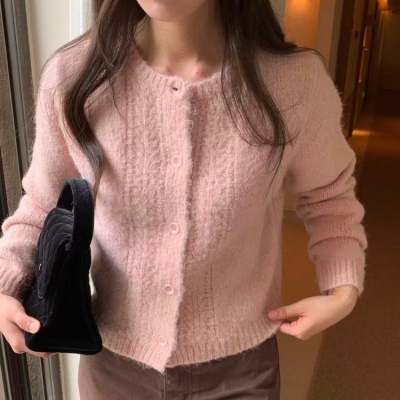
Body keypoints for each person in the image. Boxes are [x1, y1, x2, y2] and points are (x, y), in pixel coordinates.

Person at [0, 0, 368, 399]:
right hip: (112, 369)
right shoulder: (73, 76)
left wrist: (342, 290)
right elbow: (43, 203)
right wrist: (7, 282)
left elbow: (329, 196)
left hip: (241, 374)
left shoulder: (295, 82)